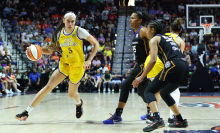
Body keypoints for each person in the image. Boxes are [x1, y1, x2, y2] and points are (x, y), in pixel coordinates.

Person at [15, 12, 99, 121]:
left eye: (72, 21)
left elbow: (96, 44)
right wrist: (38, 50)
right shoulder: (59, 34)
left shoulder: (79, 31)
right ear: (63, 20)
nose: (70, 23)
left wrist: (89, 60)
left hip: (78, 67)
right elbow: (50, 50)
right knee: (48, 87)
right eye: (68, 21)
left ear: (75, 22)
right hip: (64, 64)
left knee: (71, 94)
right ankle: (26, 112)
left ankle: (79, 103)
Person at [132, 20, 189, 132]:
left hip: (173, 64)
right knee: (164, 92)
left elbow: (153, 60)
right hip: (184, 65)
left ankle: (157, 119)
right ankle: (180, 120)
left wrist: (141, 77)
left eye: (147, 29)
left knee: (149, 91)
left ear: (153, 30)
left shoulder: (154, 39)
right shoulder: (167, 38)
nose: (146, 32)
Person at [103, 11, 151, 124]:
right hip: (139, 64)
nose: (130, 20)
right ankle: (151, 112)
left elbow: (154, 43)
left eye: (133, 18)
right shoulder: (136, 33)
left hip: (143, 65)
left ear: (139, 21)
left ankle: (117, 115)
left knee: (125, 85)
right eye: (130, 18)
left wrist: (150, 57)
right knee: (141, 91)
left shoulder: (143, 30)